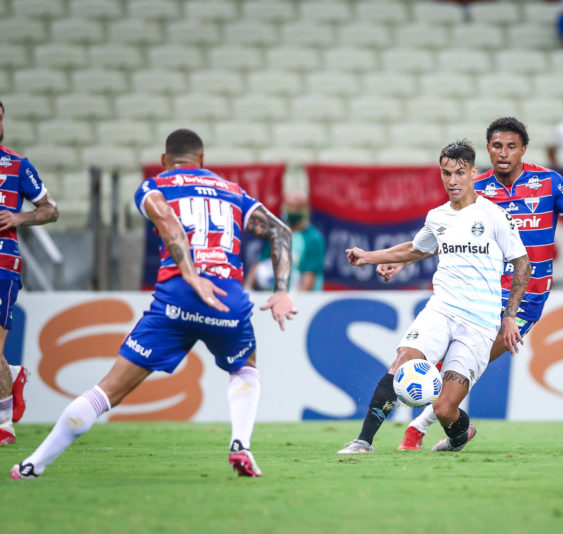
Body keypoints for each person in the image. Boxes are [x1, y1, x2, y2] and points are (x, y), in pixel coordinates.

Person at [10, 129, 297, 478]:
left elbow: (167, 219)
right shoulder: (232, 191)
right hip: (227, 297)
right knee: (246, 367)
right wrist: (282, 290)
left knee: (107, 391)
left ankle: (32, 464)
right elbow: (281, 231)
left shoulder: (154, 186)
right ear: (202, 159)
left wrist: (190, 274)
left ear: (165, 160)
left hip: (177, 296)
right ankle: (241, 444)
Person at [379, 117, 563, 450]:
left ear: (523, 149)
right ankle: (437, 428)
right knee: (445, 365)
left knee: (466, 368)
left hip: (525, 299)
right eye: (496, 146)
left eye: (511, 146)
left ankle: (418, 429)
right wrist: (398, 260)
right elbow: (441, 235)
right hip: (480, 295)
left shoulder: (548, 182)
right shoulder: (477, 188)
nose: (503, 153)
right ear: (488, 150)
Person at [337, 140, 531, 454]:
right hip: (441, 309)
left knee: (444, 409)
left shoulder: (495, 216)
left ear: (472, 173)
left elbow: (523, 264)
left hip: (479, 324)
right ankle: (363, 441)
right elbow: (416, 248)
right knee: (402, 362)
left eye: (459, 173)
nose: (452, 181)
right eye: (446, 173)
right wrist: (368, 257)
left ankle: (460, 433)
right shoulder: (437, 217)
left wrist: (509, 317)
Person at [0, 100, 59, 445]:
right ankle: (12, 375)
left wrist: (18, 218)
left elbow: (51, 209)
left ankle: (4, 424)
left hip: (3, 264)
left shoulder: (17, 165)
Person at [243, 191, 325, 291]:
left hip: (301, 299)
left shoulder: (313, 239)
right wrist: (248, 289)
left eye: (297, 207)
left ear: (306, 210)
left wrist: (299, 301)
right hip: (275, 298)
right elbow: (260, 263)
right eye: (289, 206)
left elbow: (309, 277)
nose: (292, 210)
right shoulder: (277, 233)